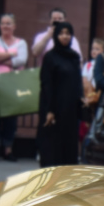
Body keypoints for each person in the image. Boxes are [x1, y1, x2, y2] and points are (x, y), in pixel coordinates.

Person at [39, 21, 83, 167]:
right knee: (52, 145)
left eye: (68, 34)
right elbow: (47, 84)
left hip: (70, 109)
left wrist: (81, 104)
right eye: (61, 33)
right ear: (56, 36)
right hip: (54, 107)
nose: (65, 37)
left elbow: (77, 82)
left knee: (69, 145)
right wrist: (49, 109)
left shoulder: (74, 57)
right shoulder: (50, 57)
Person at [0, 13, 28, 161]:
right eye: (3, 23)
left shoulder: (21, 43)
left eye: (8, 23)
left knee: (11, 117)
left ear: (14, 26)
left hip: (13, 84)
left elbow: (22, 60)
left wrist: (1, 57)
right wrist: (12, 54)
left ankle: (7, 149)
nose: (5, 26)